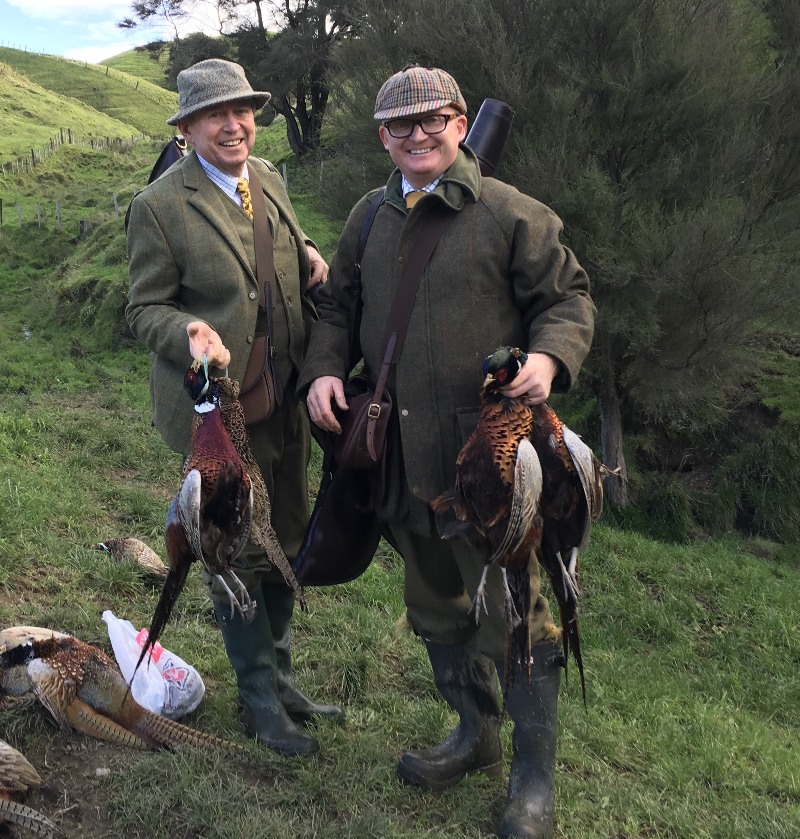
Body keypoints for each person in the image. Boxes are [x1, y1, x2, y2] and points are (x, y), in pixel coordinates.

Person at [298, 65, 595, 837]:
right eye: (402, 125)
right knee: (435, 605)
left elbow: (567, 298)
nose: (419, 135)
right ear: (383, 137)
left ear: (460, 124)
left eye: (435, 119)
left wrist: (550, 357)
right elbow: (337, 306)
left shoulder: (509, 212)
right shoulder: (368, 217)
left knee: (518, 614)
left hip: (491, 462)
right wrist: (324, 369)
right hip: (400, 456)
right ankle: (475, 735)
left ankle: (533, 782)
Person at [126, 58, 342, 757]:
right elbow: (144, 307)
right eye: (214, 114)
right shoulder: (159, 206)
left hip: (285, 396)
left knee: (286, 536)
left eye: (241, 110)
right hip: (219, 414)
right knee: (235, 548)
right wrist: (187, 330)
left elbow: (277, 245)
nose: (233, 125)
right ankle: (257, 699)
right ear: (187, 129)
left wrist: (308, 252)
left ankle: (282, 678)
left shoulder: (268, 177)